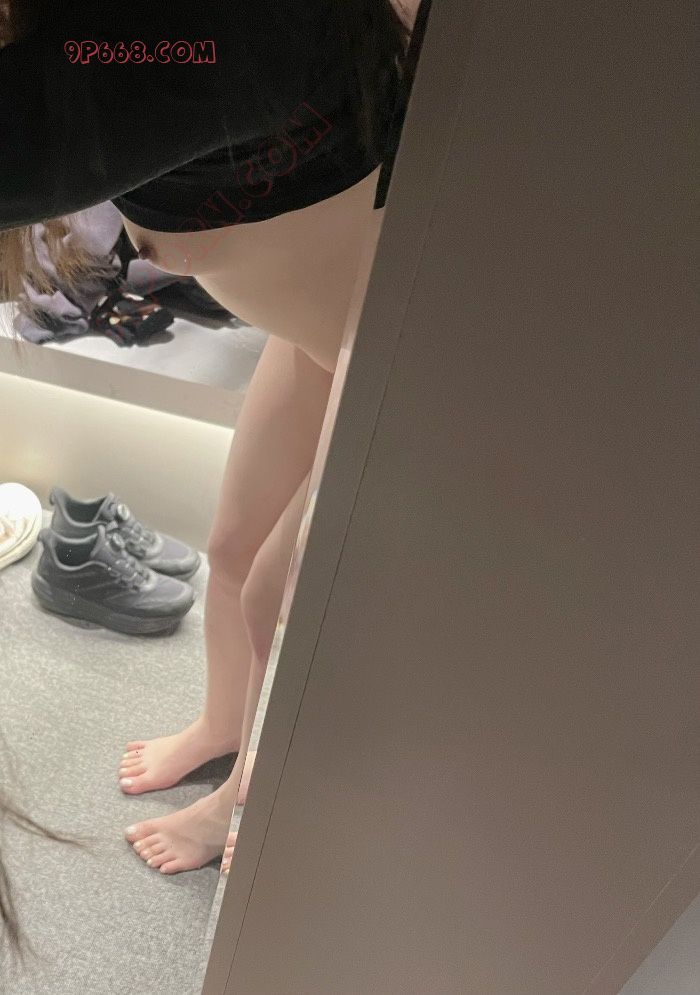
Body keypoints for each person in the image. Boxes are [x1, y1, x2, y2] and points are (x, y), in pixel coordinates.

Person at [0, 0, 430, 878]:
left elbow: (48, 126)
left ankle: (246, 798)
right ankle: (222, 725)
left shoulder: (232, 30)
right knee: (232, 551)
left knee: (277, 598)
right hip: (311, 324)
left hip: (383, 337)